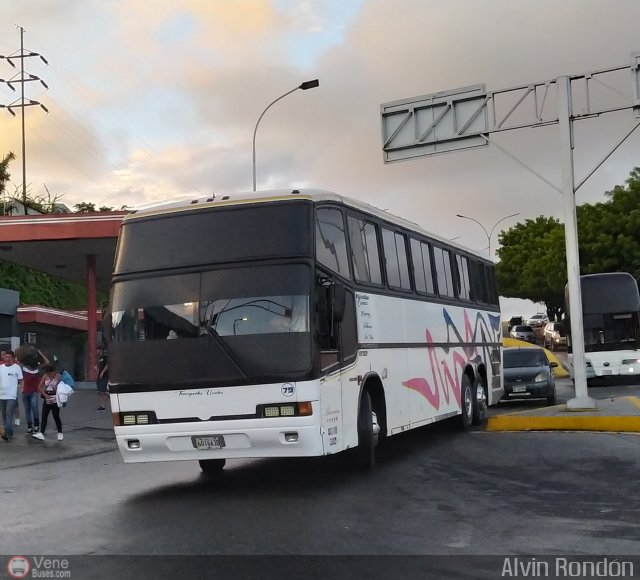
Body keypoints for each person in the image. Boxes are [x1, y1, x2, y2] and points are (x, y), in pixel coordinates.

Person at [31, 364, 65, 441]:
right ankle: (42, 433)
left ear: (54, 372)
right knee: (44, 416)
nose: (49, 375)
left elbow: (63, 387)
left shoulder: (58, 376)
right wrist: (45, 394)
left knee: (56, 416)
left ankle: (60, 432)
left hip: (55, 397)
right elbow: (39, 386)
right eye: (48, 373)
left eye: (50, 373)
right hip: (47, 397)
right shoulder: (45, 376)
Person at [20, 348, 49, 434]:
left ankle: (36, 425)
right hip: (25, 391)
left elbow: (47, 363)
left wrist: (41, 354)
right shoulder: (24, 368)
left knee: (34, 408)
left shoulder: (37, 369)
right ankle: (30, 426)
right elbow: (17, 361)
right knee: (27, 410)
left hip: (34, 392)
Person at [0, 351, 24, 442]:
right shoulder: (1, 368)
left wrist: (22, 389)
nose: (8, 359)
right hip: (1, 395)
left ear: (13, 358)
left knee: (9, 413)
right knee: (4, 415)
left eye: (9, 357)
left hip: (11, 396)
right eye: (6, 357)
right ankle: (9, 432)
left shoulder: (17, 368)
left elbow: (21, 380)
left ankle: (7, 433)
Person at [96, 347, 109, 411]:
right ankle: (102, 406)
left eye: (98, 350)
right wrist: (97, 376)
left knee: (103, 391)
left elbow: (108, 365)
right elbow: (99, 367)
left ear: (101, 350)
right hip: (99, 377)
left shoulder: (105, 356)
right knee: (100, 392)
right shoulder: (100, 358)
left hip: (104, 376)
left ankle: (112, 397)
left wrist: (103, 372)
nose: (97, 352)